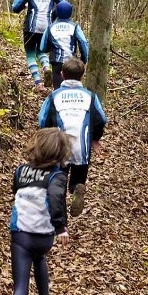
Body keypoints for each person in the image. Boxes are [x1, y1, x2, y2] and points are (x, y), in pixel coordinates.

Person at [8, 128, 72, 295]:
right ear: (60, 152)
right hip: (43, 237)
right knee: (40, 258)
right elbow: (56, 201)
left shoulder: (20, 171)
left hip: (20, 235)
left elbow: (15, 191)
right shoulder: (57, 177)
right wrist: (61, 228)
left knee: (20, 283)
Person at [38, 58, 107, 217]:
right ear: (82, 76)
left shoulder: (53, 96)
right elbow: (101, 119)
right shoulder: (91, 97)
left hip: (58, 147)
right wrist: (95, 138)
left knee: (57, 182)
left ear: (62, 75)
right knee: (77, 179)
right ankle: (77, 189)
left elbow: (42, 119)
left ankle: (60, 219)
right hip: (82, 148)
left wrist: (44, 139)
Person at [11, 0, 65, 91]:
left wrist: (25, 5)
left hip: (31, 26)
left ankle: (38, 83)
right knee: (41, 51)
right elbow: (63, 5)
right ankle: (46, 68)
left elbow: (15, 7)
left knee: (30, 53)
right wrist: (53, 16)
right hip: (47, 26)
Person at [40, 0, 89, 89]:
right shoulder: (75, 27)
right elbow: (83, 42)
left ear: (57, 12)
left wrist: (49, 48)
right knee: (73, 89)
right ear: (70, 13)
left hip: (57, 63)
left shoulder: (50, 28)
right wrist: (84, 59)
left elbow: (42, 47)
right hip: (72, 64)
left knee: (58, 90)